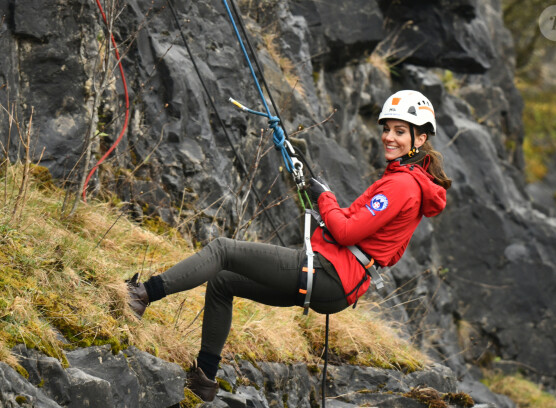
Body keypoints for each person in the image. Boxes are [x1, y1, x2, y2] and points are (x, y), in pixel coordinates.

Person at [127, 89, 451, 402]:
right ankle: (204, 381)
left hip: (329, 273)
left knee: (223, 250)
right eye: (387, 129)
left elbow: (347, 231)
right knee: (223, 282)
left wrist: (325, 196)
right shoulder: (409, 182)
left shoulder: (402, 185)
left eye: (400, 131)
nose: (389, 137)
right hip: (337, 281)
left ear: (420, 139)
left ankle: (142, 295)